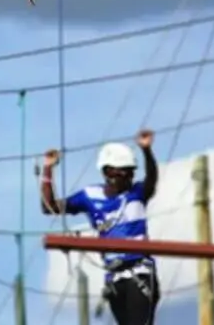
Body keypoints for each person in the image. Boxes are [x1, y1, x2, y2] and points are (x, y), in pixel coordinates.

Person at [39, 130, 159, 325]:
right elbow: (49, 206)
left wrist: (146, 150)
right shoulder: (90, 196)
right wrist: (48, 169)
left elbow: (152, 179)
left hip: (140, 273)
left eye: (130, 171)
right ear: (108, 172)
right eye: (123, 171)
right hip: (114, 278)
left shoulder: (138, 192)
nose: (128, 176)